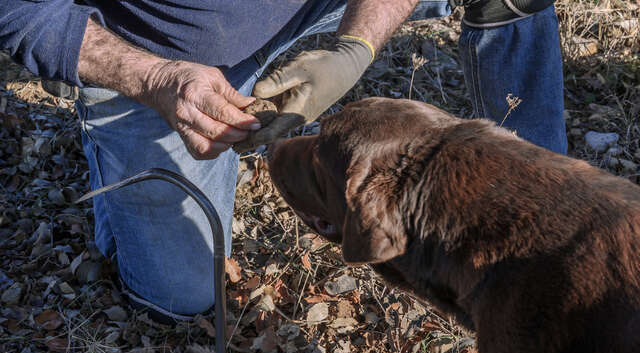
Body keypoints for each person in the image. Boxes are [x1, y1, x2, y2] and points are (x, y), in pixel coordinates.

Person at [0, 0, 566, 322]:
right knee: (182, 298)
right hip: (156, 52)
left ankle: (545, 193)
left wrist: (356, 46)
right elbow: (23, 12)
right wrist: (155, 79)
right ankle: (114, 139)